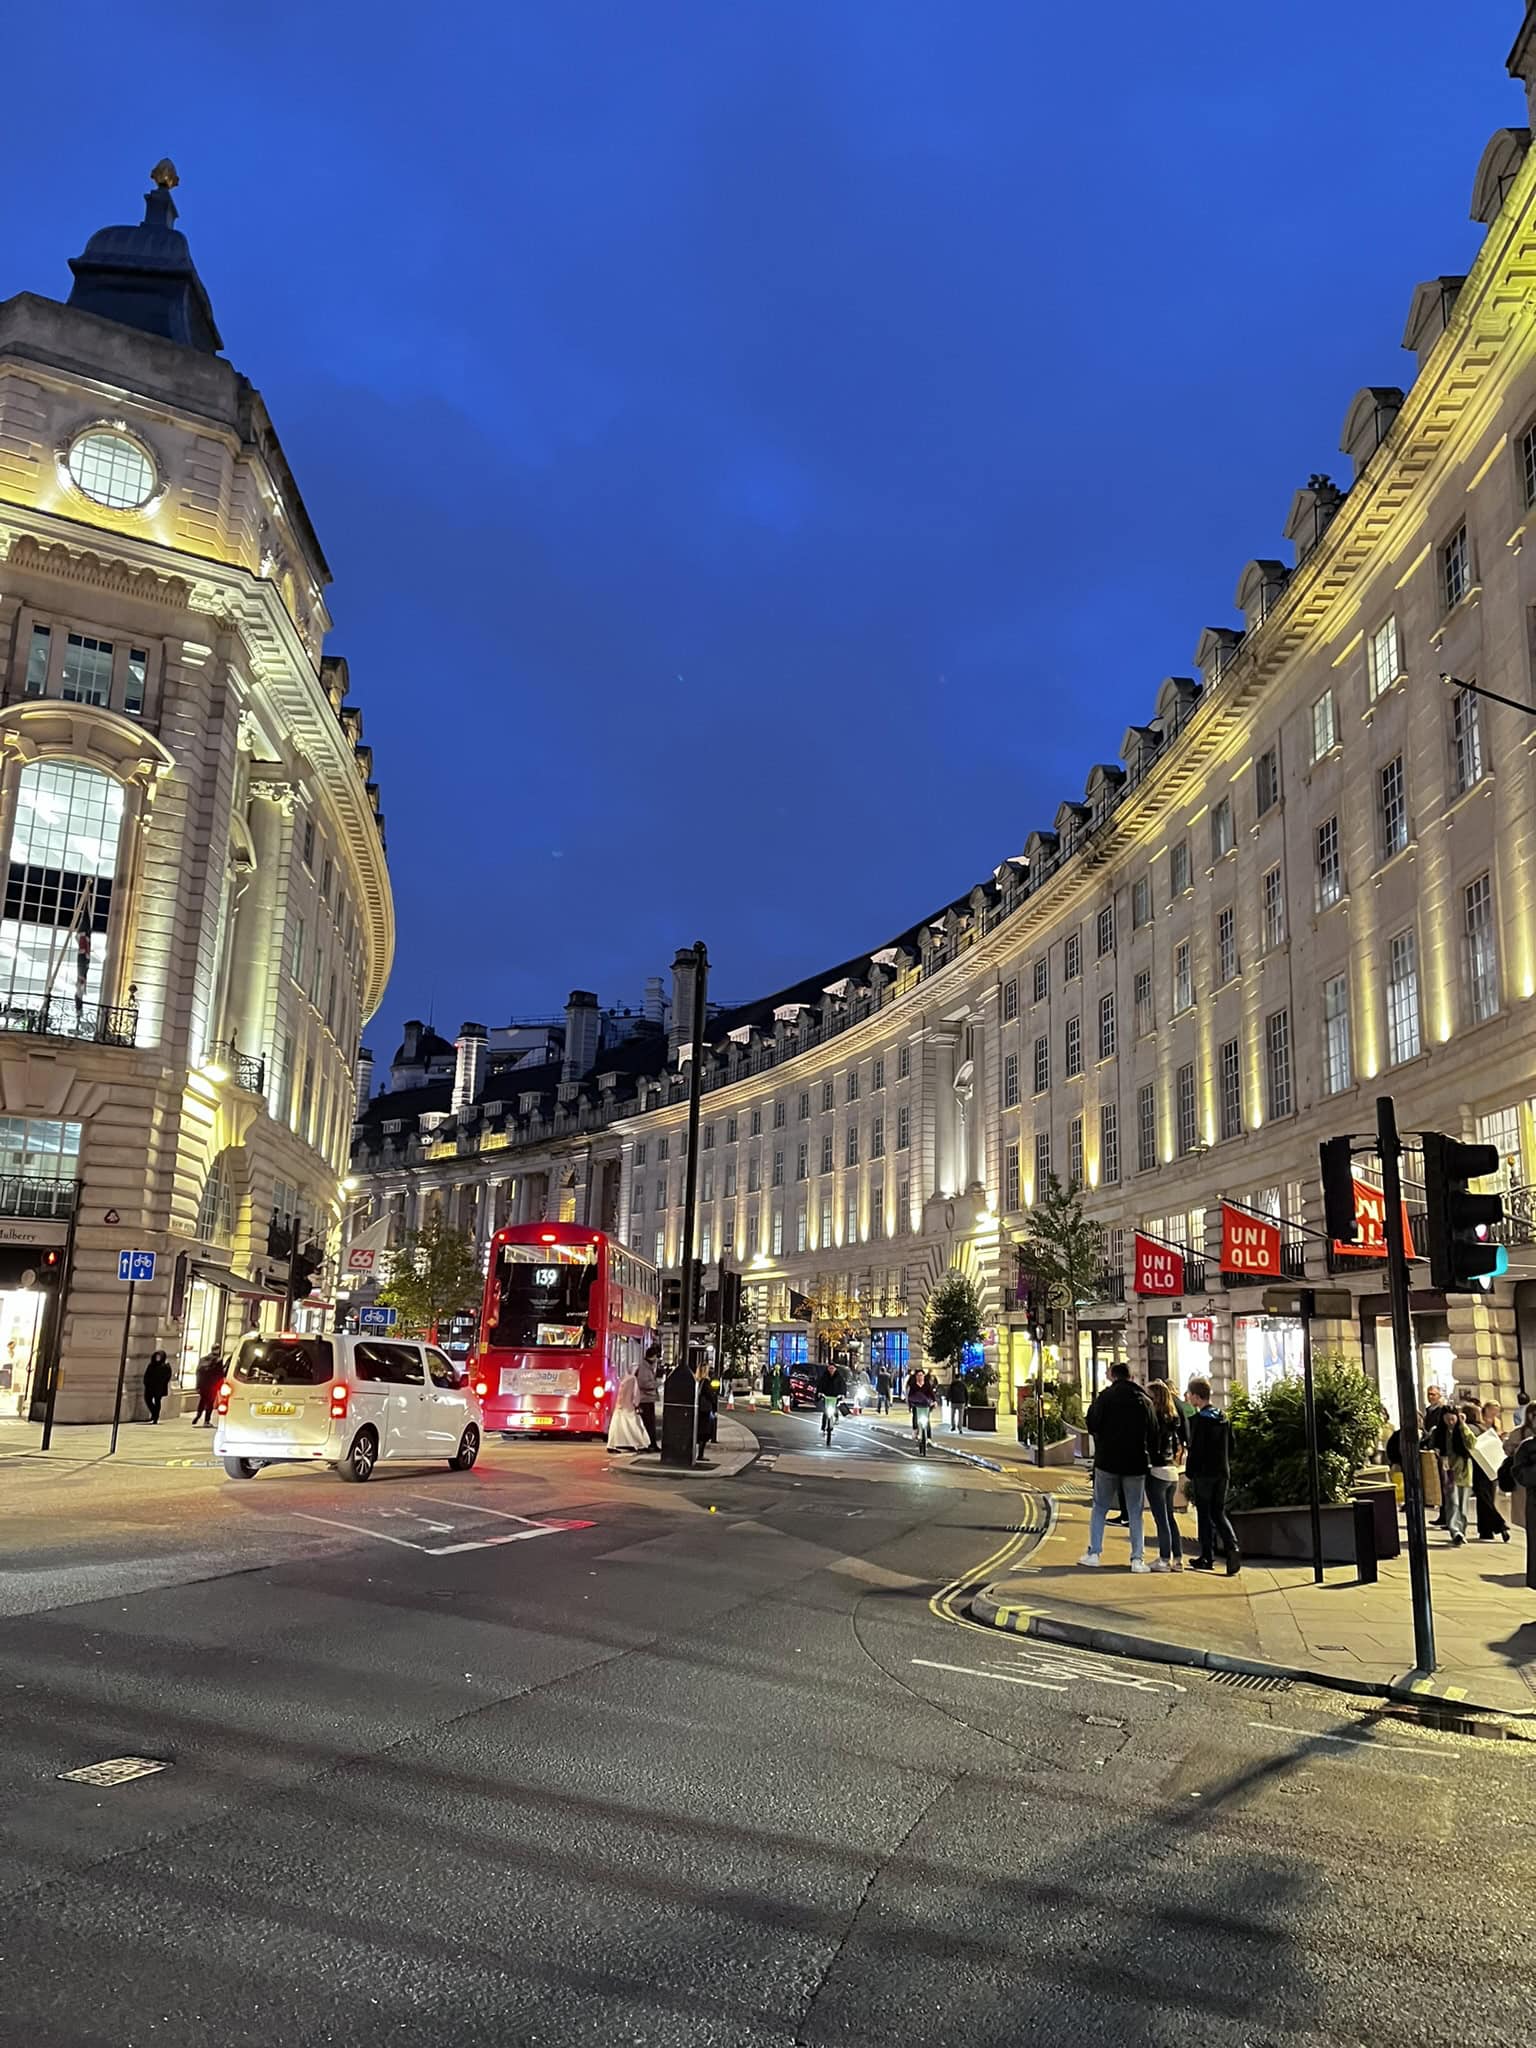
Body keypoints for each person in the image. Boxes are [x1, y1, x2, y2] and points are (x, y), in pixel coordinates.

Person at [1081, 1361, 1156, 1571]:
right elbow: (1154, 1431)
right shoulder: (1144, 1400)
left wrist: (1102, 1438)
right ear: (1131, 1377)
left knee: (1100, 1508)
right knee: (1135, 1512)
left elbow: (1092, 1423)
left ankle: (1094, 1553)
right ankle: (1137, 1559)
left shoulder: (1105, 1397)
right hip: (1136, 1462)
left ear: (1113, 1376)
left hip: (1107, 1461)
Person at [1185, 1377, 1241, 1575]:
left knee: (1204, 1515)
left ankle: (1207, 1556)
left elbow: (1196, 1450)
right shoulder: (1223, 1418)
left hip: (1204, 1474)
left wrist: (1190, 1471)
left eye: (1190, 1394)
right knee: (1218, 1512)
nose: (1188, 1397)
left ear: (1197, 1397)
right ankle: (1232, 1547)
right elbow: (1232, 1446)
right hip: (1222, 1472)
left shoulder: (1200, 1421)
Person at [1145, 1379, 1186, 1572]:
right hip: (1172, 1472)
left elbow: (1151, 1445)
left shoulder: (1155, 1419)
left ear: (1156, 1398)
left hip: (1158, 1471)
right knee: (1170, 1517)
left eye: (1149, 1396)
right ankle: (1178, 1559)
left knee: (1161, 1519)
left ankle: (1163, 1559)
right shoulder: (1172, 1418)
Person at [1472, 1401, 1510, 1542]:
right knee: (1483, 1496)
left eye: (1497, 1410)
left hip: (1493, 1461)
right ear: (1486, 1409)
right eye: (1492, 1410)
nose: (1495, 1413)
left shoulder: (1497, 1422)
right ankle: (1497, 1525)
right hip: (1480, 1463)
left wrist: (1501, 1437)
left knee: (1487, 1496)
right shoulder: (1479, 1423)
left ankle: (1485, 1530)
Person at [1441, 1401, 1477, 1546]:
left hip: (1464, 1470)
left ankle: (1461, 1531)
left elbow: (1472, 1443)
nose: (1450, 1422)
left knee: (1463, 1504)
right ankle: (1455, 1530)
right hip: (1449, 1472)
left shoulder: (1462, 1430)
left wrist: (1463, 1426)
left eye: (1453, 1418)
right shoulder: (1440, 1432)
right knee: (1453, 1502)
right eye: (1447, 1419)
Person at [1421, 1385, 1451, 1527]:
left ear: (1439, 1396)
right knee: (1440, 1484)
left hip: (1441, 1453)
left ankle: (1446, 1515)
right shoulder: (1429, 1410)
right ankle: (1443, 1514)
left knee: (1445, 1484)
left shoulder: (1440, 1411)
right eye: (1429, 1394)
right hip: (1434, 1450)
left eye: (1433, 1394)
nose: (1430, 1396)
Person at [606, 1366, 651, 1453]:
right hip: (629, 1407)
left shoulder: (622, 1379)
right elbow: (635, 1394)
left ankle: (611, 1445)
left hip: (619, 1407)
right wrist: (636, 1405)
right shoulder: (633, 1379)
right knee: (636, 1426)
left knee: (616, 1427)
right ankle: (641, 1444)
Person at [635, 1343, 661, 1449]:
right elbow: (643, 1383)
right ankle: (650, 1443)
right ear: (653, 1356)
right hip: (645, 1399)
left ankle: (652, 1443)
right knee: (648, 1423)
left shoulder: (647, 1366)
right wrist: (656, 1384)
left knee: (650, 1423)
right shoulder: (644, 1367)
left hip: (648, 1399)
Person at [817, 1358, 847, 1440]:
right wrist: (819, 1392)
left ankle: (836, 1419)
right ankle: (823, 1428)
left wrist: (842, 1394)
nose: (831, 1370)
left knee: (835, 1409)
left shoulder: (839, 1377)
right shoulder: (824, 1376)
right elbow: (820, 1384)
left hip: (835, 1396)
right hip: (827, 1396)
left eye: (832, 1368)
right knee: (825, 1413)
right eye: (830, 1368)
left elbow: (843, 1386)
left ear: (835, 1369)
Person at [694, 1361, 718, 1462]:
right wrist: (714, 1407)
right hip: (705, 1409)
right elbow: (710, 1396)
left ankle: (697, 1454)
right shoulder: (706, 1382)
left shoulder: (696, 1381)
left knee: (698, 1431)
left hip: (698, 1408)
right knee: (705, 1431)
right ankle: (700, 1454)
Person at [191, 1349, 223, 1427]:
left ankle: (198, 1415)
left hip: (202, 1385)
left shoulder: (203, 1359)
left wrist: (198, 1385)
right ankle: (206, 1421)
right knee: (210, 1403)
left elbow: (198, 1373)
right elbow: (220, 1374)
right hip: (212, 1385)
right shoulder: (218, 1360)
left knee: (202, 1401)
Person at [909, 1369, 938, 1454]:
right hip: (916, 1405)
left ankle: (928, 1437)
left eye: (921, 1375)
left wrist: (934, 1401)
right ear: (916, 1376)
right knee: (915, 1417)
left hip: (925, 1406)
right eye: (918, 1375)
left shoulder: (927, 1385)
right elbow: (910, 1396)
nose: (920, 1377)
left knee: (927, 1421)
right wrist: (910, 1405)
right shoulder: (913, 1385)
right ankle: (915, 1430)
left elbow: (931, 1394)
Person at [142, 1349, 172, 1425]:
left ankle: (155, 1417)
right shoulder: (151, 1365)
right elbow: (147, 1374)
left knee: (157, 1401)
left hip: (159, 1387)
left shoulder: (165, 1366)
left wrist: (162, 1382)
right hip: (150, 1386)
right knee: (147, 1399)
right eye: (156, 1356)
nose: (157, 1358)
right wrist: (146, 1382)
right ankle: (154, 1412)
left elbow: (168, 1377)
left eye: (159, 1356)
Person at [947, 1369, 968, 1434]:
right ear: (960, 1378)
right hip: (961, 1401)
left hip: (954, 1401)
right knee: (960, 1416)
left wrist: (948, 1400)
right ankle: (960, 1428)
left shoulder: (952, 1384)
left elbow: (949, 1393)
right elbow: (966, 1394)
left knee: (952, 1415)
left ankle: (953, 1426)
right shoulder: (963, 1384)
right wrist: (966, 1402)